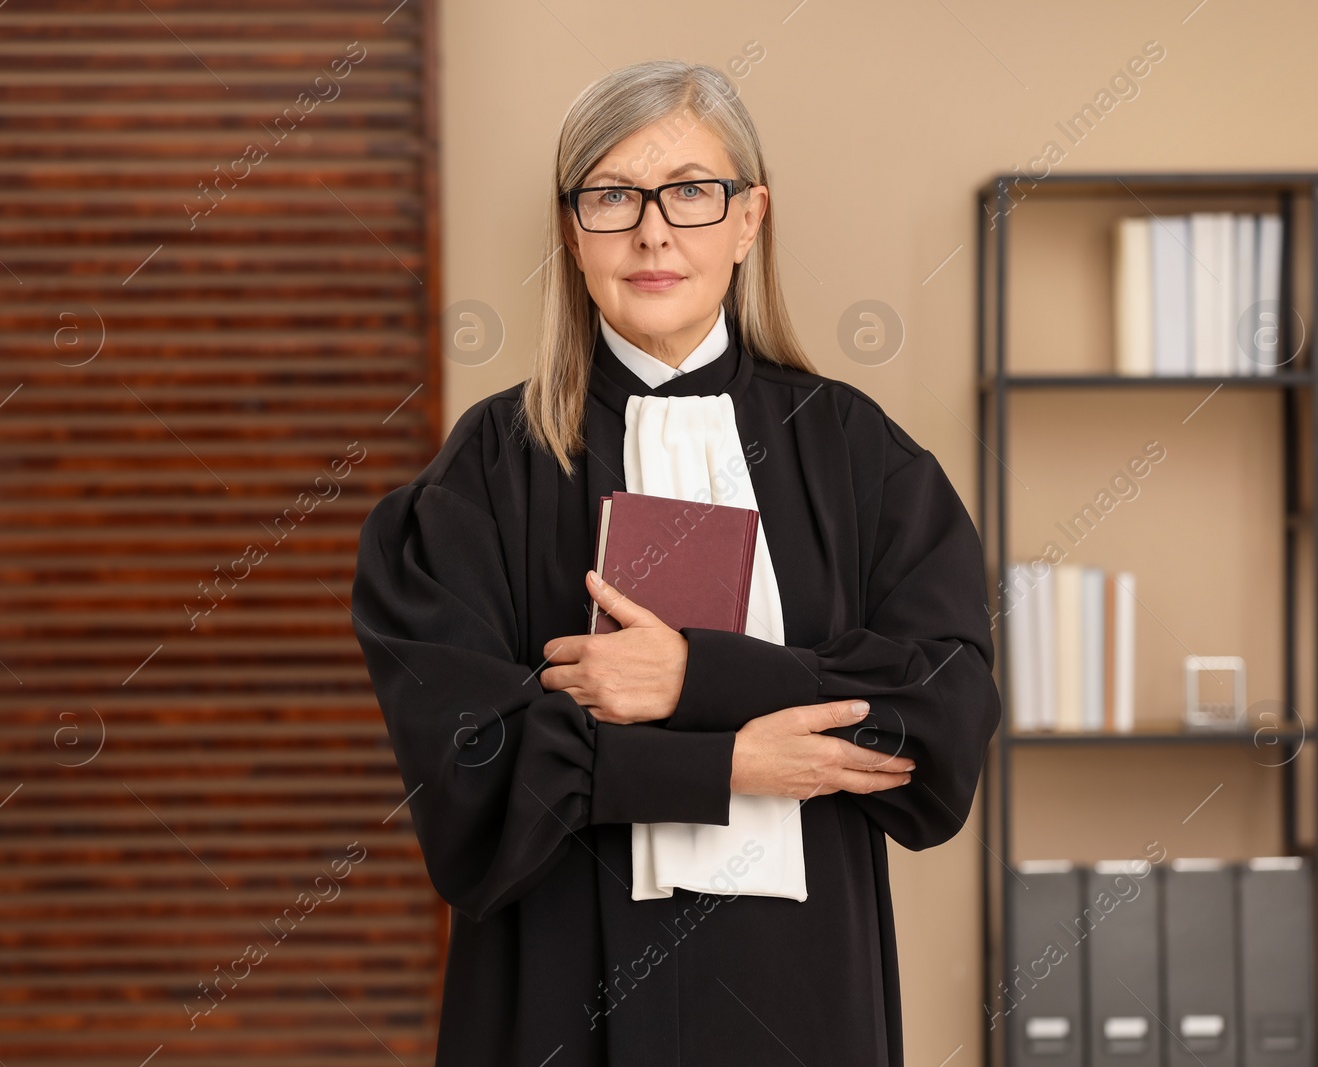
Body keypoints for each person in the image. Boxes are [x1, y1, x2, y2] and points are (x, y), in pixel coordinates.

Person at [350, 58, 1000, 1067]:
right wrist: (729, 763)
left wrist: (701, 676)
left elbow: (942, 714)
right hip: (560, 993)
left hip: (802, 989)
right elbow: (467, 775)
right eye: (612, 195)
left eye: (692, 191)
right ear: (571, 232)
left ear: (750, 220)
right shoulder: (481, 474)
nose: (654, 231)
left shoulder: (859, 452)